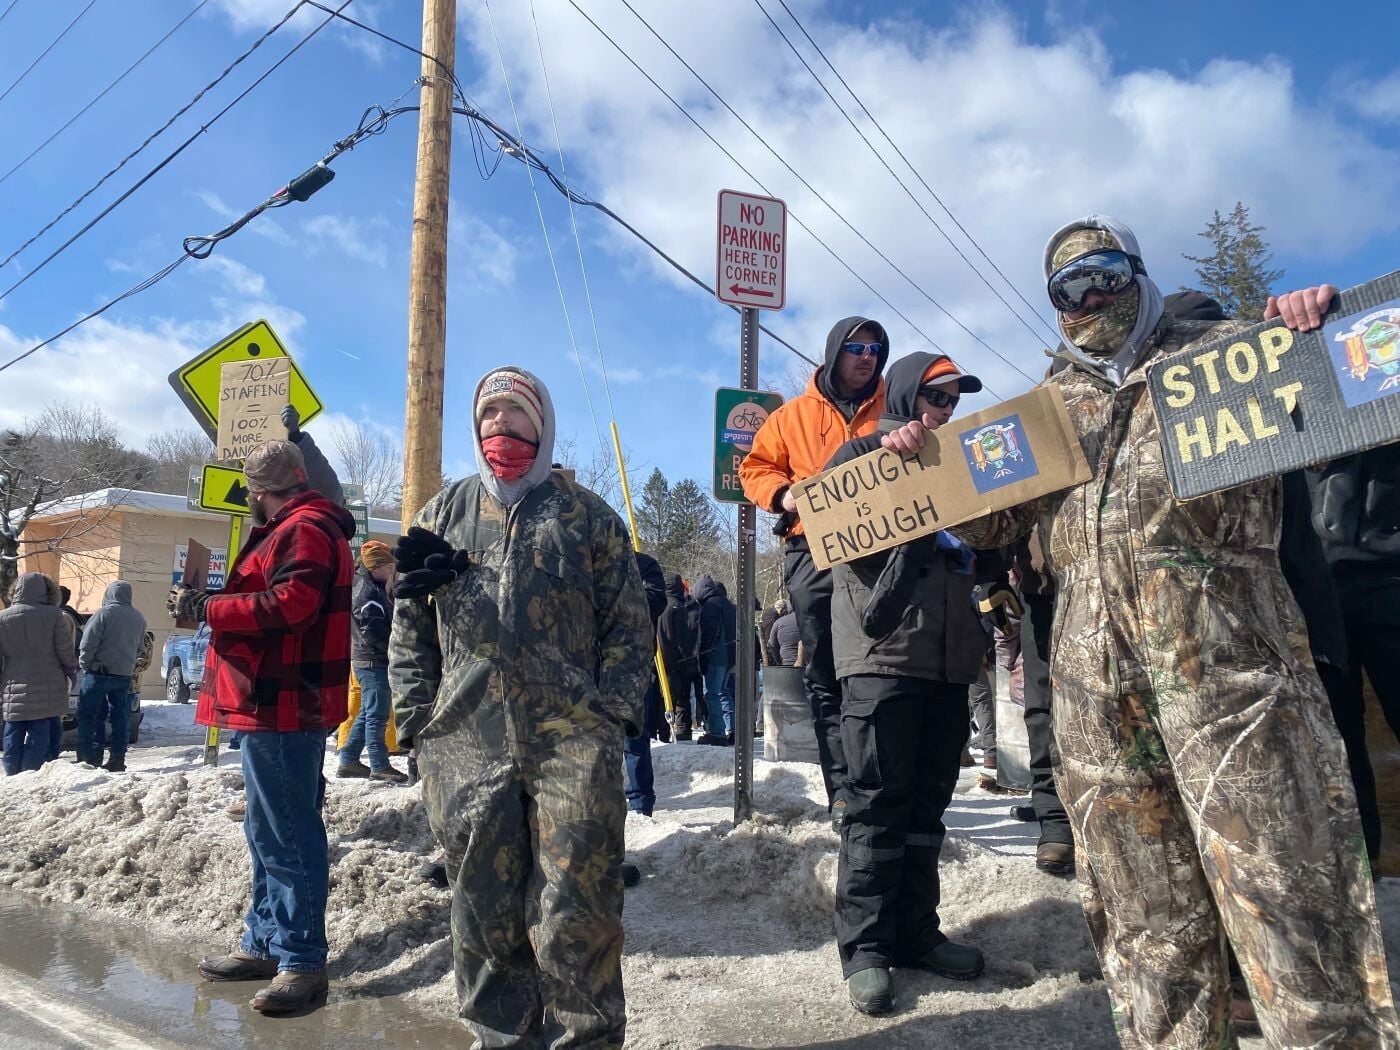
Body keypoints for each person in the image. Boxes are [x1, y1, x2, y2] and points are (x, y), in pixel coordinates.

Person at [884, 214, 1399, 1046]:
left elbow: (1362, 383)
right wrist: (924, 456)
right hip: (1101, 715)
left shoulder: (1232, 357)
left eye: (1105, 273)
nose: (1090, 296)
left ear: (1137, 270)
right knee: (1148, 937)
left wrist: (1321, 326)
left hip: (1236, 697)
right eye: (1069, 288)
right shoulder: (1043, 416)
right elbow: (988, 529)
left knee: (1296, 918)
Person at [388, 366, 650, 1047]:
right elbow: (410, 635)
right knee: (482, 916)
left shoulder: (587, 517)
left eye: (516, 414)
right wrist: (418, 725)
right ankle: (501, 1039)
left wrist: (612, 712)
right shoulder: (439, 517)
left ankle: (584, 1039)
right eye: (489, 416)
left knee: (577, 911)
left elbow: (629, 624)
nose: (500, 427)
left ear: (544, 424)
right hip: (466, 747)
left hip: (571, 745)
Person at [824, 351, 987, 1014]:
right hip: (881, 660)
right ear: (905, 394)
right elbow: (847, 544)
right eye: (935, 396)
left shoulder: (962, 468)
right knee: (875, 807)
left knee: (926, 811)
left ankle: (918, 934)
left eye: (953, 400)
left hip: (948, 665)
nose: (944, 410)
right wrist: (901, 478)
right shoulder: (858, 458)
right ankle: (866, 950)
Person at [174, 438, 355, 1015]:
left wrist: (209, 607)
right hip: (272, 702)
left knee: (287, 834)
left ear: (258, 492)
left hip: (285, 704)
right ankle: (267, 943)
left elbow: (291, 605)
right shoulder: (303, 525)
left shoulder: (303, 528)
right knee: (265, 829)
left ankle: (302, 960)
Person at [740, 317, 889, 829]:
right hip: (811, 547)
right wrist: (781, 495)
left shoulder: (894, 410)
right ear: (833, 353)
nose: (866, 357)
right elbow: (754, 468)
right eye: (855, 348)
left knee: (878, 673)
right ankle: (842, 792)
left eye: (874, 349)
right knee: (825, 672)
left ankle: (883, 786)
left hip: (883, 550)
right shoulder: (791, 417)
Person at [338, 539, 405, 783]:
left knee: (368, 711)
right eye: (388, 566)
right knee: (377, 713)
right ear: (377, 566)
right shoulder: (367, 592)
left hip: (367, 658)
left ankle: (348, 760)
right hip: (372, 659)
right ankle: (380, 764)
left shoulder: (369, 585)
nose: (391, 571)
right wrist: (393, 647)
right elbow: (372, 630)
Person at [0, 572, 75, 774]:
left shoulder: (3, 617)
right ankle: (30, 771)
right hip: (48, 682)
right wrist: (70, 671)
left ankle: (11, 770)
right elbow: (65, 651)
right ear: (47, 591)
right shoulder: (54, 616)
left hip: (13, 681)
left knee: (13, 729)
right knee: (39, 731)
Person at [76, 581, 147, 771]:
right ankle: (117, 757)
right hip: (123, 675)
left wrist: (85, 664)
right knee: (120, 717)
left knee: (89, 715)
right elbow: (140, 647)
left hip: (98, 673)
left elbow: (88, 642)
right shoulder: (138, 618)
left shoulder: (103, 614)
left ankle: (89, 757)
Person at [626, 550, 667, 816]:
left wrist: (617, 598)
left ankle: (641, 804)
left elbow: (657, 601)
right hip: (591, 662)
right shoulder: (585, 560)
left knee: (635, 738)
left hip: (635, 662)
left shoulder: (645, 565)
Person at [693, 574, 737, 746]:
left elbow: (708, 634)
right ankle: (732, 729)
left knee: (711, 693)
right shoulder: (728, 605)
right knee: (723, 692)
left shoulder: (710, 606)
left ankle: (717, 733)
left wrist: (702, 658)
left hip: (716, 655)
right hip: (730, 655)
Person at [658, 573, 702, 741]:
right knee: (681, 697)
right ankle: (682, 731)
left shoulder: (658, 604)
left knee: (661, 699)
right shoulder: (678, 606)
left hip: (659, 659)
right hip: (677, 661)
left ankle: (661, 733)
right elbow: (683, 637)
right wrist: (687, 656)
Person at [768, 601, 800, 666]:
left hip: (786, 663)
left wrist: (778, 663)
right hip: (808, 665)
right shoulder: (809, 621)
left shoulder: (778, 622)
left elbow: (772, 645)